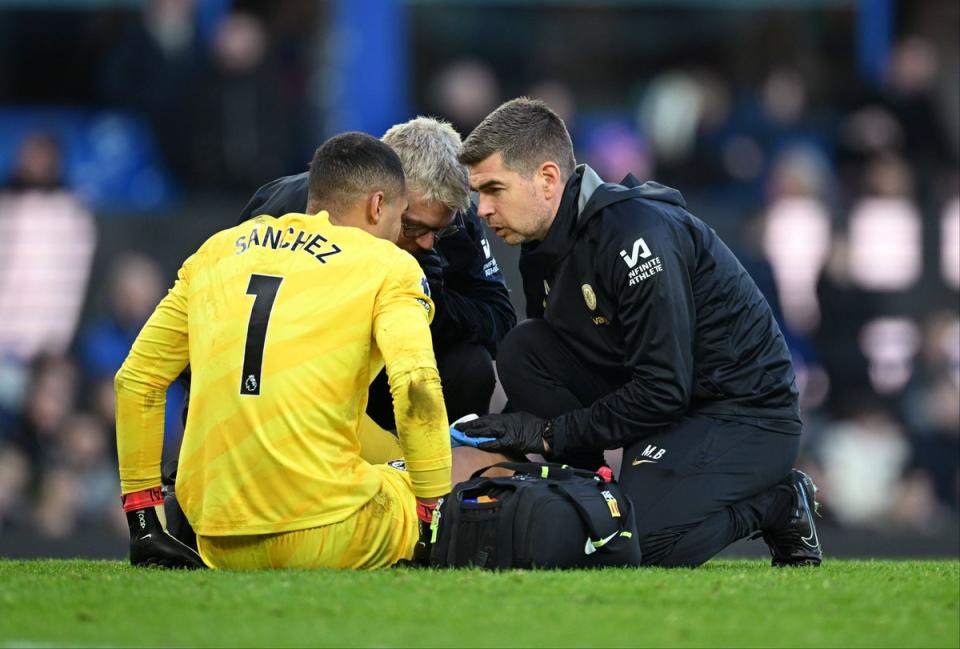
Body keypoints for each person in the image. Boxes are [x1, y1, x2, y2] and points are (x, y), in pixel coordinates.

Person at [455, 98, 822, 568]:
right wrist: (514, 434)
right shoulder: (541, 244)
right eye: (477, 194)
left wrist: (548, 433)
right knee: (526, 348)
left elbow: (664, 388)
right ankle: (585, 500)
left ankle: (780, 503)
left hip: (742, 412)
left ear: (547, 179)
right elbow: (570, 363)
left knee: (639, 544)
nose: (482, 210)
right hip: (668, 400)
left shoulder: (634, 236)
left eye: (493, 190)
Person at [115, 133, 451, 569]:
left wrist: (145, 524)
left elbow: (136, 380)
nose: (402, 236)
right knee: (411, 479)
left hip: (218, 538)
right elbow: (416, 387)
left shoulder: (216, 251)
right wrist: (430, 523)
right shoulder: (388, 265)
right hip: (333, 532)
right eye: (402, 219)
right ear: (377, 205)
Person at [238, 117, 516, 428]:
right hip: (297, 374)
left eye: (440, 230)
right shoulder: (286, 206)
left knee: (471, 366)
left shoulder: (455, 224)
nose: (427, 242)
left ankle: (434, 466)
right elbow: (219, 316)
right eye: (411, 225)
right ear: (377, 198)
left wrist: (429, 302)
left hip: (393, 375)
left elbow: (501, 320)